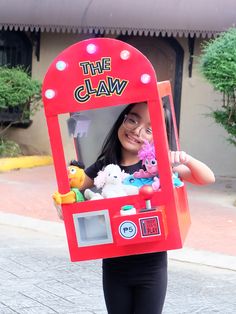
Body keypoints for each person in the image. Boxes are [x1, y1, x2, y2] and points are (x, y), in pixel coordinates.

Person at [75, 101, 215, 314]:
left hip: (151, 268)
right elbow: (75, 190)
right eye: (132, 119)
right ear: (122, 120)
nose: (136, 130)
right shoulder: (105, 165)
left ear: (158, 136)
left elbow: (207, 178)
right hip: (114, 265)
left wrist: (184, 158)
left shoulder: (158, 165)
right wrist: (64, 201)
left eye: (149, 129)